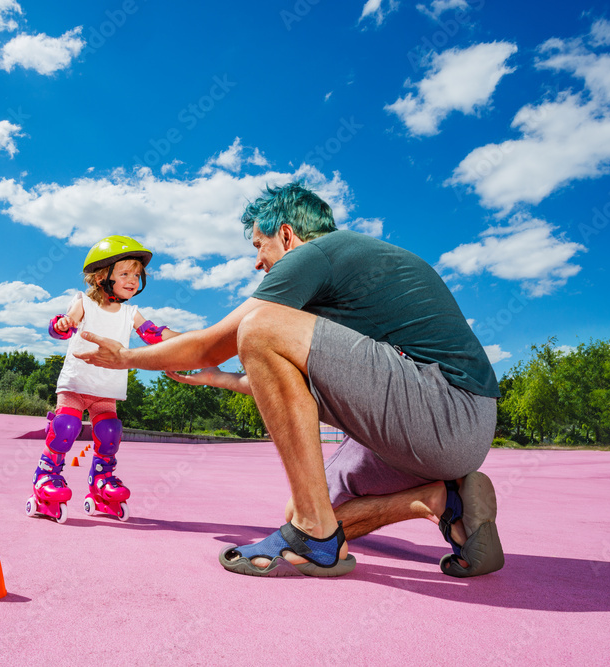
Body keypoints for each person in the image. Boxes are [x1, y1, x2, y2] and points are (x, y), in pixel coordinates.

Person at [76, 183, 504, 579]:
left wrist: (126, 358)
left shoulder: (321, 253)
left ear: (286, 235)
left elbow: (215, 342)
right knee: (306, 503)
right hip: (441, 427)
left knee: (260, 326)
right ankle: (443, 501)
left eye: (260, 246)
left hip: (449, 410)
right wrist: (220, 380)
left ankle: (317, 537)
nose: (258, 261)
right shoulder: (334, 294)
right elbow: (290, 383)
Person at [26, 235, 179, 523]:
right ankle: (46, 477)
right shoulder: (83, 301)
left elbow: (153, 333)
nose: (133, 279)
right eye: (124, 273)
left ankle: (102, 481)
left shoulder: (130, 312)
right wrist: (63, 324)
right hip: (76, 382)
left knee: (109, 434)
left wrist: (192, 342)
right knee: (66, 427)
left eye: (137, 274)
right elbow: (66, 323)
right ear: (100, 278)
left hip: (106, 389)